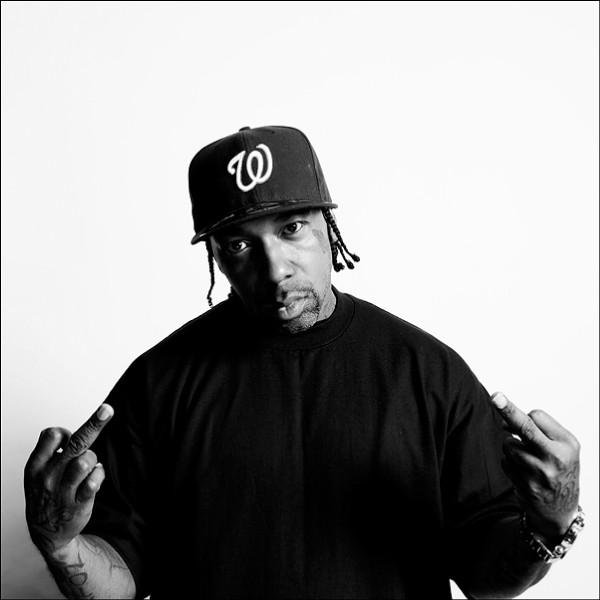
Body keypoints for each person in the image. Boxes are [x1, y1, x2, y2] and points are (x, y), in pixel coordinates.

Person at [24, 125, 584, 599]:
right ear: (215, 255)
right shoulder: (159, 383)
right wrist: (61, 544)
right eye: (239, 244)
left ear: (329, 227)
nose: (275, 270)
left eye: (292, 229)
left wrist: (551, 520)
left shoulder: (427, 373)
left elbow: (486, 577)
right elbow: (119, 581)